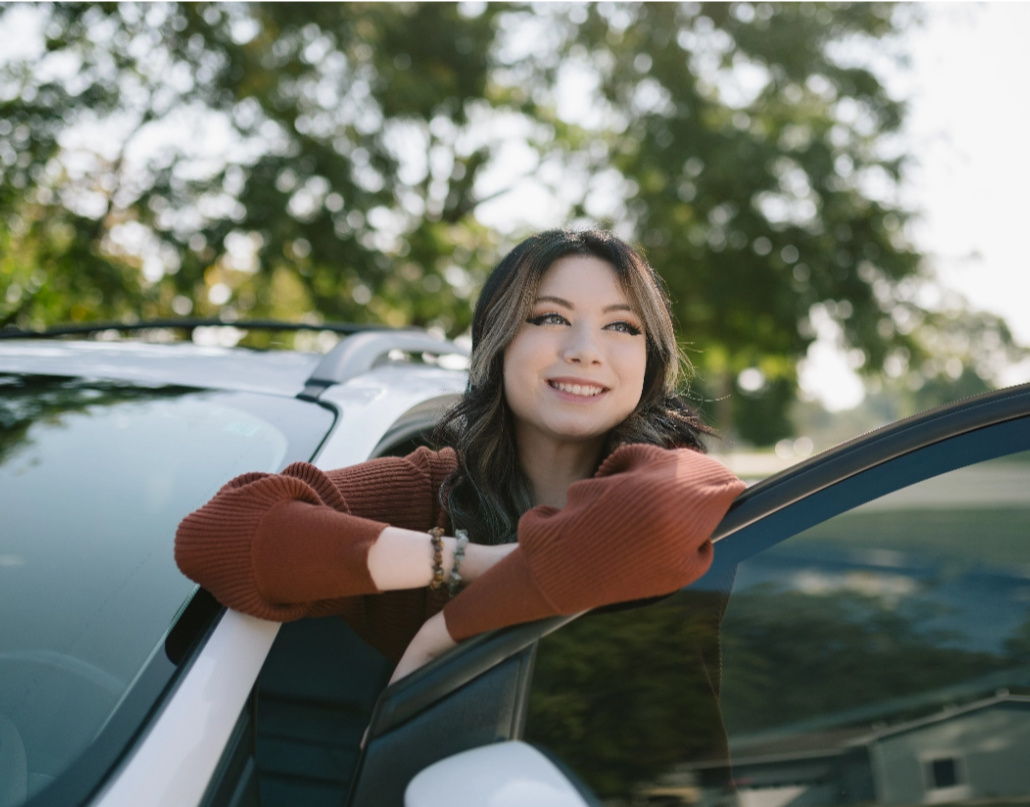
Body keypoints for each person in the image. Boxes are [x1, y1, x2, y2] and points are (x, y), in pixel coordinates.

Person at [175, 229, 746, 684]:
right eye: (550, 318)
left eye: (621, 326)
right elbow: (222, 533)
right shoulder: (434, 492)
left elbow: (648, 519)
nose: (584, 351)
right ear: (498, 344)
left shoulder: (672, 473)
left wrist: (444, 630)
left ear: (650, 359)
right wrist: (463, 561)